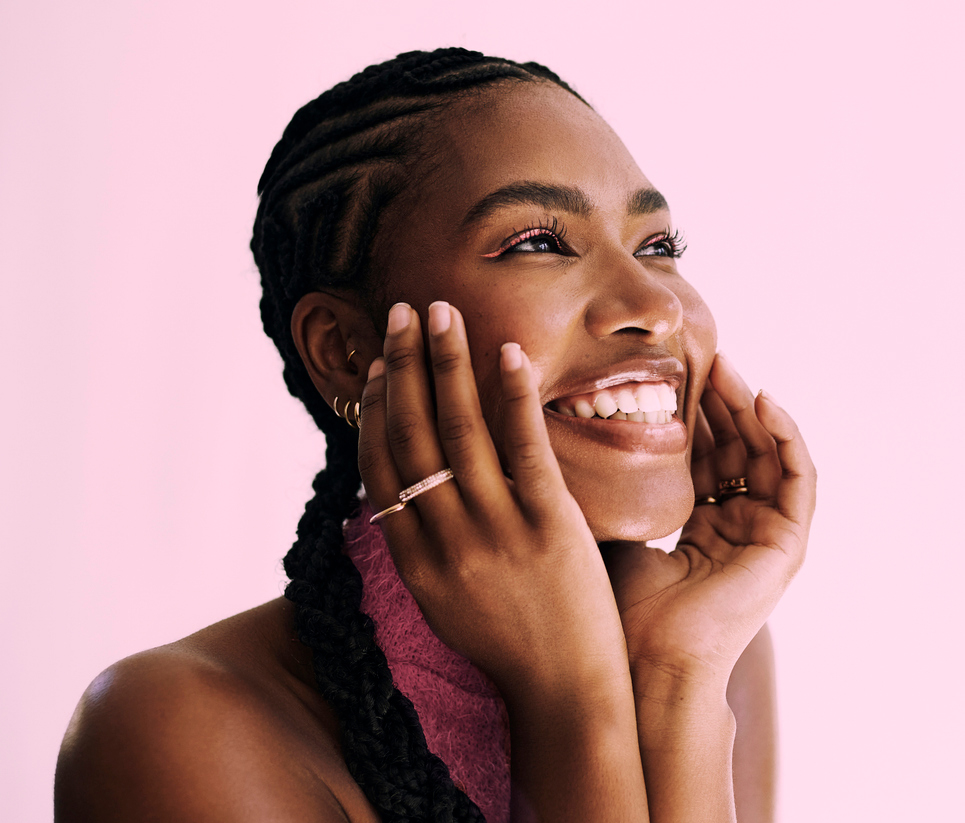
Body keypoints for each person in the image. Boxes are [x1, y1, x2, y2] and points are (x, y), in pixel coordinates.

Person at [54, 48, 816, 823]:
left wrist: (676, 683)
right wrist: (571, 696)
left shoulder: (701, 637)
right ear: (346, 352)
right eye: (537, 243)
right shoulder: (176, 727)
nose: (654, 305)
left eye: (657, 247)